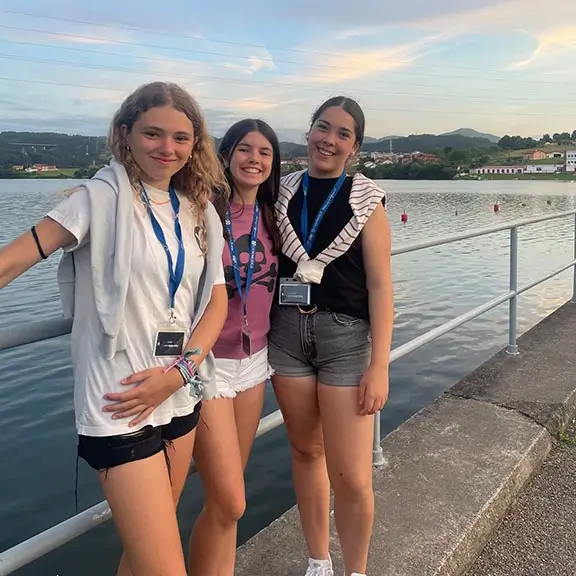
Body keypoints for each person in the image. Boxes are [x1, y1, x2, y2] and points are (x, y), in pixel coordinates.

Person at [0, 81, 229, 576]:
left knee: (146, 557)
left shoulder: (200, 210)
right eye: (153, 133)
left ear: (196, 144)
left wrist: (181, 372)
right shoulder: (94, 200)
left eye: (181, 138)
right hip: (118, 405)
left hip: (178, 393)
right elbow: (9, 263)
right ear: (125, 133)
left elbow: (215, 304)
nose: (167, 149)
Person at [269, 96, 394, 576]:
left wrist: (379, 366)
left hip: (345, 340)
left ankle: (355, 571)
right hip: (286, 336)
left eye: (343, 133)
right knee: (305, 451)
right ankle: (318, 562)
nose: (329, 139)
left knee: (354, 478)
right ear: (308, 132)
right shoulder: (280, 192)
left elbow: (381, 287)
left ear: (355, 146)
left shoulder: (367, 200)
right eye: (323, 127)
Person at [188, 118, 281, 575]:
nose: (254, 160)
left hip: (255, 362)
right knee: (230, 500)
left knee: (226, 503)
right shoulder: (200, 210)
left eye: (264, 153)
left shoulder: (272, 215)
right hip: (208, 365)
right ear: (226, 155)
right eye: (245, 149)